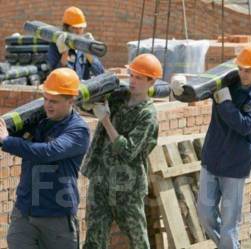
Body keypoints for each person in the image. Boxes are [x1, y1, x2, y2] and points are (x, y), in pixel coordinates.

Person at [0, 68, 90, 249]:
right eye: (46, 99)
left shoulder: (78, 130)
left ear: (70, 100)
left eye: (54, 101)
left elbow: (47, 152)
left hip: (56, 218)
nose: (48, 105)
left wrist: (6, 140)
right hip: (25, 213)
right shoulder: (38, 120)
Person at [193, 44, 251, 249]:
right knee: (204, 213)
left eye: (248, 70)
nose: (243, 74)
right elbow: (200, 88)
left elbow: (245, 126)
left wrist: (226, 103)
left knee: (229, 223)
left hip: (235, 165)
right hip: (212, 158)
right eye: (241, 69)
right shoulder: (226, 84)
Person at [81, 53, 161, 249]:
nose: (133, 81)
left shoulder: (147, 115)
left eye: (139, 78)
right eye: (132, 75)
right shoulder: (118, 97)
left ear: (151, 82)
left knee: (137, 241)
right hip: (101, 180)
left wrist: (105, 121)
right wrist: (87, 100)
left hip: (128, 187)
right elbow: (85, 101)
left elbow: (127, 152)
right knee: (93, 240)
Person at [47, 6, 105, 80]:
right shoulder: (55, 46)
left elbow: (100, 73)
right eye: (74, 28)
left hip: (82, 89)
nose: (78, 32)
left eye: (81, 28)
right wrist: (65, 54)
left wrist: (88, 51)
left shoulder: (84, 47)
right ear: (66, 28)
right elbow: (55, 77)